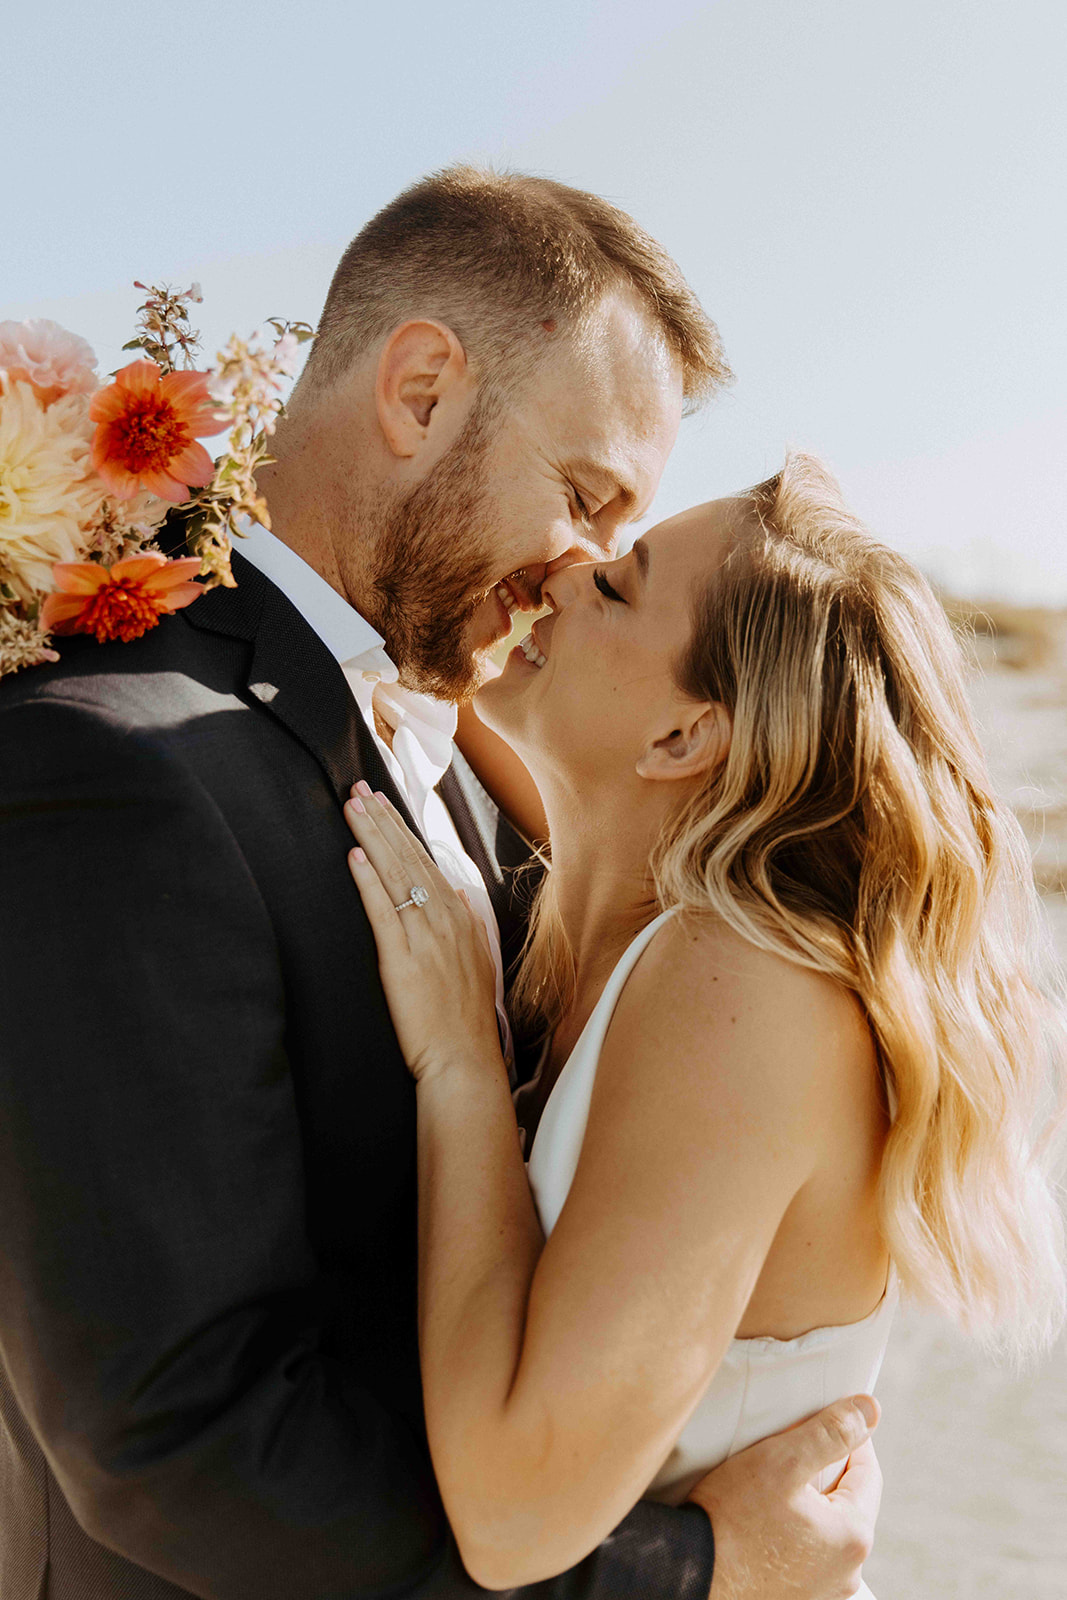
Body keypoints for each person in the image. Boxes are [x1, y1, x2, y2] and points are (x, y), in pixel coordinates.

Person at [0, 170, 881, 1599]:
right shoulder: (113, 773)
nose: (580, 567)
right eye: (586, 496)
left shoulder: (476, 782)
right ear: (418, 392)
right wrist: (695, 1567)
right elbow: (176, 1443)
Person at [344, 453, 1067, 1597]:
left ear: (683, 739)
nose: (569, 567)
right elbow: (441, 670)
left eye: (619, 586)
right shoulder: (613, 890)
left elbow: (513, 1513)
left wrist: (460, 1069)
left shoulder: (742, 985)